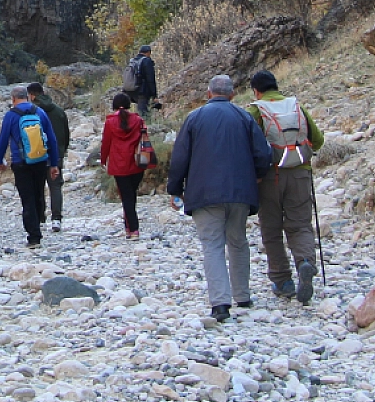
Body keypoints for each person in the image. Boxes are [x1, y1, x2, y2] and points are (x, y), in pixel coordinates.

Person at [166, 74, 271, 322]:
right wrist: (257, 176)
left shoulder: (194, 118)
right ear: (232, 94)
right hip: (240, 192)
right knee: (238, 241)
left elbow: (180, 157)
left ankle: (220, 303)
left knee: (212, 245)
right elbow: (262, 152)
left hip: (204, 193)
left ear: (209, 93)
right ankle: (242, 295)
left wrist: (175, 188)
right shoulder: (244, 117)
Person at [246, 70, 325, 305]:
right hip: (300, 173)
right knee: (300, 225)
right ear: (276, 86)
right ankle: (304, 262)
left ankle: (283, 281)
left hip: (270, 177)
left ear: (256, 90)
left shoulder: (256, 110)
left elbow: (248, 146)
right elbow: (318, 140)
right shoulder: (296, 106)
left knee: (271, 229)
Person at [0, 84, 60, 249]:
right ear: (28, 96)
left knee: (27, 198)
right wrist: (54, 163)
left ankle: (33, 236)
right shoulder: (40, 112)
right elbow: (51, 139)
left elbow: (3, 139)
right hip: (40, 160)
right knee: (39, 193)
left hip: (20, 162)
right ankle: (38, 223)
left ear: (13, 99)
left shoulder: (11, 115)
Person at [97, 92, 148, 239]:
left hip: (119, 165)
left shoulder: (110, 122)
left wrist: (103, 159)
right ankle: (130, 227)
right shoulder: (138, 120)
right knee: (131, 195)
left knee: (126, 196)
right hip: (138, 162)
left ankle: (133, 229)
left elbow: (105, 143)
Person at [26, 81, 70, 232]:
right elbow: (66, 134)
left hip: (36, 153)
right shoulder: (58, 111)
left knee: (37, 187)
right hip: (56, 153)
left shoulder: (32, 112)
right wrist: (62, 151)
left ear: (31, 95)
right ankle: (56, 219)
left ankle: (40, 218)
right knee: (55, 186)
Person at [132, 44, 158, 118]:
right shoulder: (146, 61)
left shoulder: (133, 60)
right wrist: (154, 95)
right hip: (143, 90)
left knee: (140, 109)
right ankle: (144, 126)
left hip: (133, 89)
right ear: (148, 52)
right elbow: (150, 79)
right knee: (144, 113)